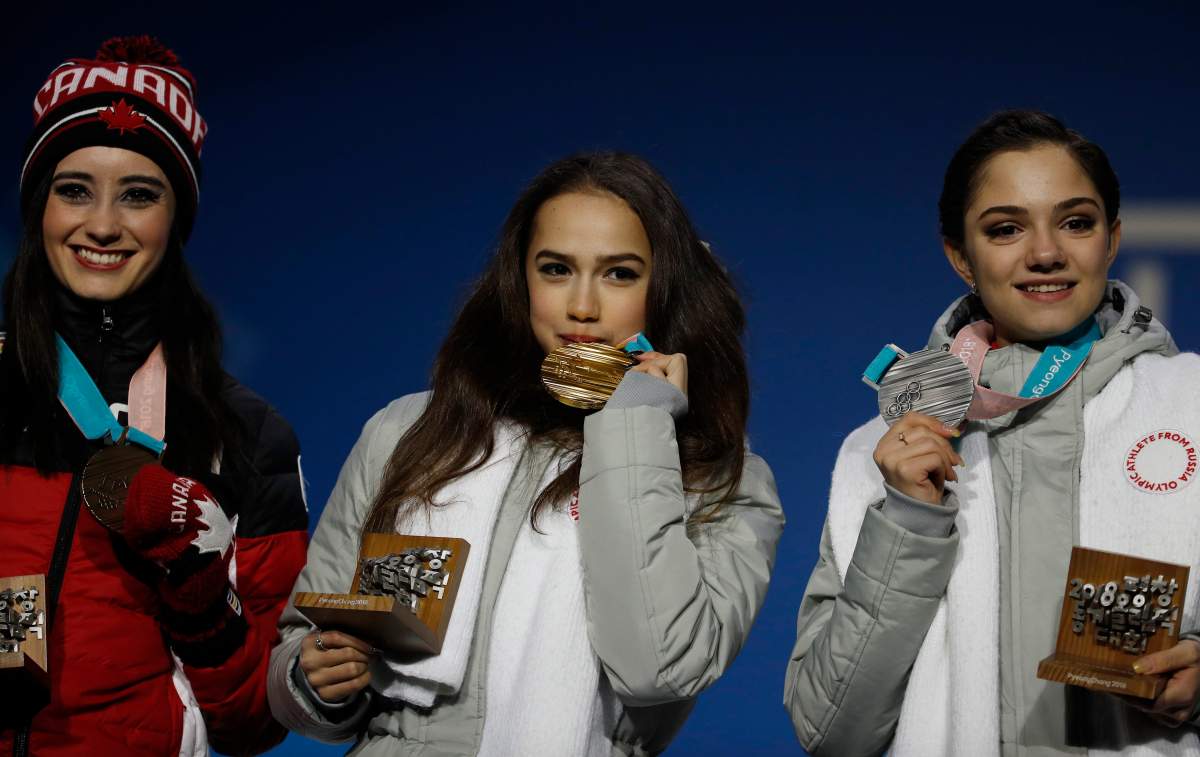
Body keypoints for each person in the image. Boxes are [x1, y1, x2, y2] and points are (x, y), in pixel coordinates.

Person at [268, 151, 784, 755]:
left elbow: (656, 667)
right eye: (556, 269)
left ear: (664, 289)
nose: (583, 306)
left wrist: (636, 423)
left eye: (619, 273)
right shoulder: (410, 431)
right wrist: (314, 679)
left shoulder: (719, 478)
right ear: (520, 280)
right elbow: (301, 654)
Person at [785, 109, 1200, 756]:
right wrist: (906, 521)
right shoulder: (878, 450)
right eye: (1005, 228)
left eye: (1076, 222)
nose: (1045, 252)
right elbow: (831, 732)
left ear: (1112, 239)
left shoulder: (1191, 404)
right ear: (960, 256)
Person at [0, 36, 308, 755]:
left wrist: (203, 594)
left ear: (177, 218)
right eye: (73, 189)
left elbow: (254, 723)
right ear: (38, 205)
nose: (102, 224)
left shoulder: (247, 433)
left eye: (139, 194)